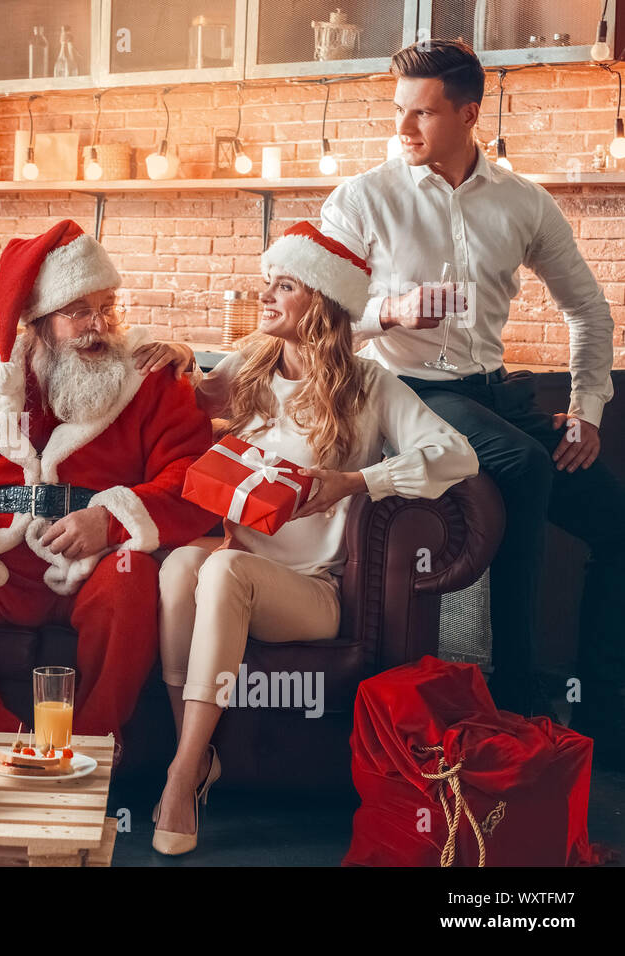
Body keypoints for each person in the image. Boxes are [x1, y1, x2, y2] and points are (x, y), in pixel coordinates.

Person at [321, 39, 625, 746]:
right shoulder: (364, 199)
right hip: (408, 393)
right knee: (521, 463)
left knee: (617, 523)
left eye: (422, 114)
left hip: (492, 396)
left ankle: (606, 713)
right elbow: (316, 322)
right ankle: (517, 685)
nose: (403, 130)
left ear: (468, 114)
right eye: (399, 111)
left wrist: (587, 409)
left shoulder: (523, 203)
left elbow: (589, 309)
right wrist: (388, 314)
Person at [152, 222, 478, 856]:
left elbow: (456, 455)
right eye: (266, 282)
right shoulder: (248, 370)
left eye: (285, 285)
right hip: (237, 563)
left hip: (311, 592)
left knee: (220, 571)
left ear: (324, 303)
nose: (265, 295)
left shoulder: (370, 385)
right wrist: (173, 354)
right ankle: (192, 760)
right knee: (178, 568)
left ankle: (180, 777)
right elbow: (177, 397)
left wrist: (358, 480)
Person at [0, 219, 220, 736]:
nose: (99, 325)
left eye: (107, 307)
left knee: (133, 578)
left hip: (94, 559)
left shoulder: (149, 376)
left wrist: (110, 520)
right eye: (78, 312)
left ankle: (90, 754)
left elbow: (193, 477)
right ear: (39, 321)